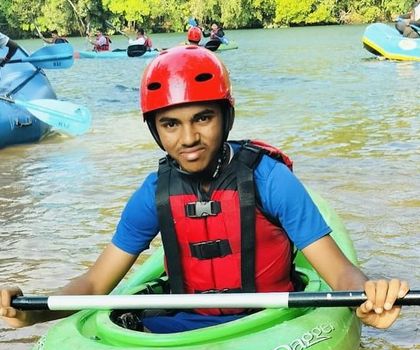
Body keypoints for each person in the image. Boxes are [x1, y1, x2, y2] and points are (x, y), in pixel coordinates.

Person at [0, 46, 409, 333]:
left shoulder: (270, 180)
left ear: (225, 118)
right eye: (170, 124)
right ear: (155, 130)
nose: (189, 137)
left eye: (203, 118)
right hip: (182, 325)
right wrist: (32, 310)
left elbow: (339, 272)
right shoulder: (154, 192)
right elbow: (94, 284)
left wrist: (369, 296)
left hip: (270, 323)